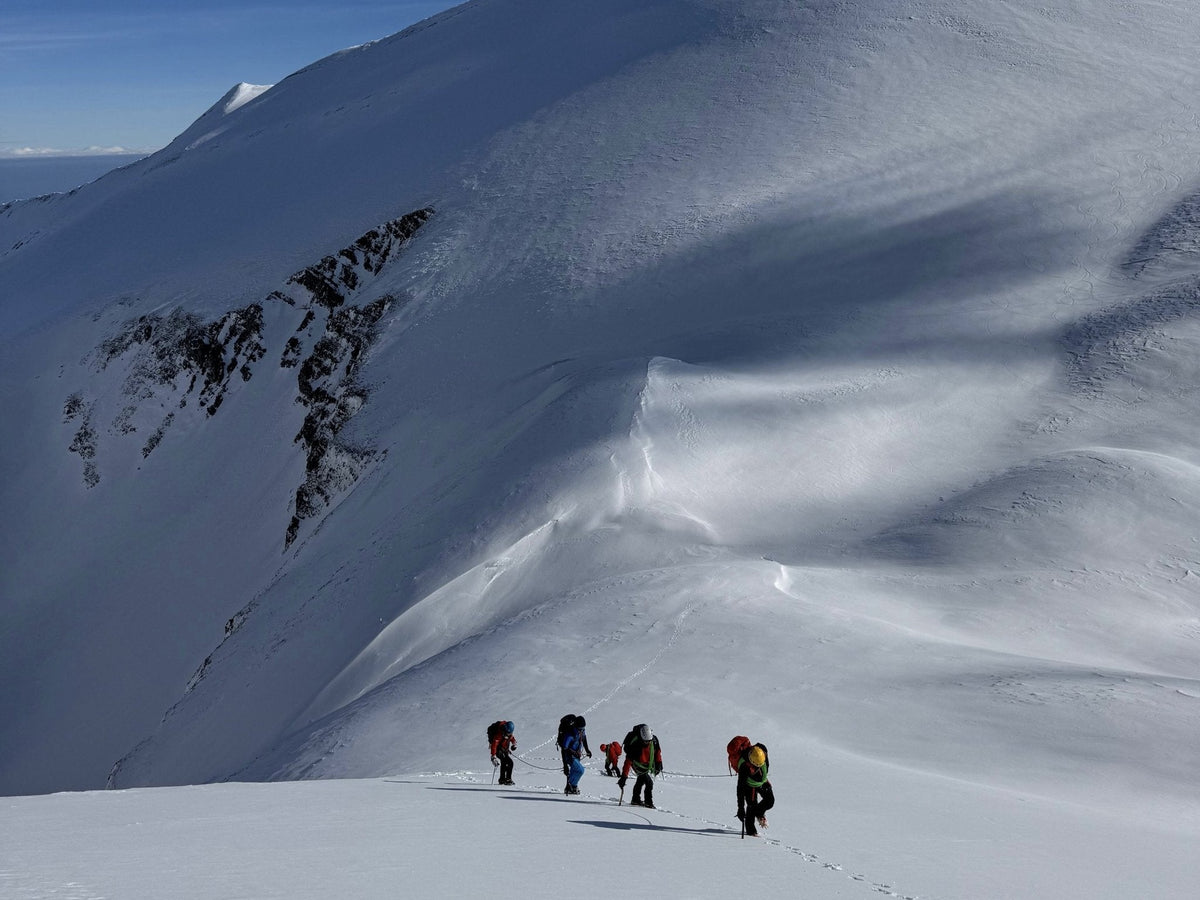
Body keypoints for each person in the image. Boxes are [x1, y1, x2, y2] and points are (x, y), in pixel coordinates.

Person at [618, 723, 662, 809]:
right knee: (649, 783)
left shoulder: (654, 741)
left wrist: (658, 763)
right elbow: (628, 762)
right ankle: (648, 802)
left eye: (649, 741)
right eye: (646, 741)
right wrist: (624, 777)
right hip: (637, 765)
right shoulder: (635, 745)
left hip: (646, 765)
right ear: (641, 738)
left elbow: (657, 752)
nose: (648, 743)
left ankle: (635, 799)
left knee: (640, 780)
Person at [735, 742, 774, 837]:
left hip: (762, 780)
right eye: (756, 765)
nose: (758, 767)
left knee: (770, 801)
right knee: (751, 806)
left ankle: (759, 813)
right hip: (749, 785)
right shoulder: (744, 766)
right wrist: (740, 808)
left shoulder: (763, 751)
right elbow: (740, 789)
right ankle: (751, 832)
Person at [487, 720, 517, 786]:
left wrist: (514, 743)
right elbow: (494, 745)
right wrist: (493, 756)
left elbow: (511, 738)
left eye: (510, 733)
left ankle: (502, 779)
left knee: (504, 762)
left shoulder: (508, 732)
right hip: (498, 750)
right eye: (508, 733)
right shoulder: (499, 734)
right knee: (509, 762)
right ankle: (507, 779)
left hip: (504, 750)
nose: (509, 734)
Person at [562, 723, 587, 795]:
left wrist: (587, 750)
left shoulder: (582, 732)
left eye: (583, 728)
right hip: (570, 757)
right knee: (580, 770)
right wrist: (574, 752)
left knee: (574, 771)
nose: (581, 730)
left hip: (576, 756)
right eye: (580, 729)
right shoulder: (570, 735)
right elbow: (565, 748)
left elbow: (584, 739)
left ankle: (571, 787)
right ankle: (572, 785)